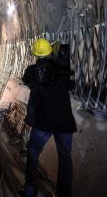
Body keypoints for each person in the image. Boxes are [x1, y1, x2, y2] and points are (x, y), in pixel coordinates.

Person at [19, 38, 77, 197]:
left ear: (35, 54)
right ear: (51, 52)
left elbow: (26, 80)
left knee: (33, 152)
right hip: (63, 122)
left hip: (43, 122)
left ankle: (30, 190)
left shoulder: (31, 71)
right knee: (65, 159)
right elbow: (72, 85)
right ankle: (64, 194)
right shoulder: (62, 71)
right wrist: (63, 65)